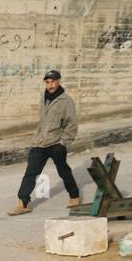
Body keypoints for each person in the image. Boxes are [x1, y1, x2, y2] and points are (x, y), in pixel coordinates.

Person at [7, 69, 81, 215]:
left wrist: (64, 142)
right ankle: (23, 203)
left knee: (63, 171)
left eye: (53, 81)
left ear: (58, 81)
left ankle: (74, 195)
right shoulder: (43, 98)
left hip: (56, 143)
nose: (50, 84)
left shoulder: (66, 101)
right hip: (39, 143)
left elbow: (72, 124)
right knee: (30, 173)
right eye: (48, 82)